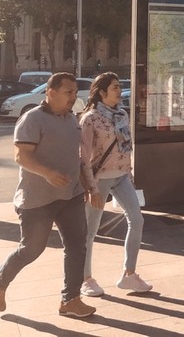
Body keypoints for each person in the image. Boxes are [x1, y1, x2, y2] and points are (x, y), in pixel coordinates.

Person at [0, 72, 96, 318]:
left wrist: (86, 184)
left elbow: (77, 157)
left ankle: (70, 300)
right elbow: (22, 156)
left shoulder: (71, 120)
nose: (73, 97)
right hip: (37, 199)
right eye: (68, 92)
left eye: (75, 92)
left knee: (77, 246)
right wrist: (48, 174)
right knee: (31, 250)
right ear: (50, 92)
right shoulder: (32, 119)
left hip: (71, 195)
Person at [79, 73, 152, 297]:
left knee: (137, 219)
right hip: (98, 179)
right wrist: (91, 188)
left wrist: (129, 174)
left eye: (119, 87)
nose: (120, 91)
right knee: (90, 231)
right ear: (102, 93)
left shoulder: (122, 113)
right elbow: (83, 156)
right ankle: (85, 279)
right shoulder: (90, 119)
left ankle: (129, 274)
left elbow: (125, 147)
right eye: (115, 87)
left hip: (121, 176)